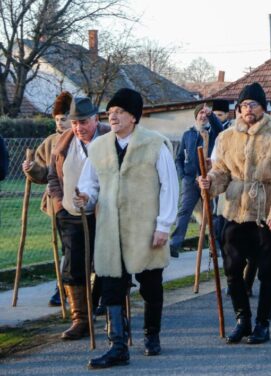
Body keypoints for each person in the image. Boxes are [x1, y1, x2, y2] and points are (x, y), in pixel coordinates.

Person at [74, 88, 179, 368]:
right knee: (110, 286)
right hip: (110, 228)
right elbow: (90, 183)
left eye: (120, 112)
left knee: (151, 286)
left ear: (134, 116)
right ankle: (118, 346)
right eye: (111, 112)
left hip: (146, 226)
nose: (114, 116)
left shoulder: (155, 144)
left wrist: (164, 225)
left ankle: (151, 335)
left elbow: (170, 186)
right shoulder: (98, 147)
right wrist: (85, 197)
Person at [197, 82, 271, 345]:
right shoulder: (226, 137)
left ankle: (263, 323)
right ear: (238, 110)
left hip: (266, 214)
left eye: (252, 104)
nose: (247, 110)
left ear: (262, 108)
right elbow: (221, 171)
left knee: (266, 273)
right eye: (243, 105)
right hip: (234, 211)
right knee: (232, 269)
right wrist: (210, 182)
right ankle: (243, 319)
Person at [48, 97, 110, 340]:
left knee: (104, 264)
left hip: (103, 214)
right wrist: (59, 204)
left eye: (83, 122)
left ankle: (106, 309)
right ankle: (81, 319)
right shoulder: (64, 143)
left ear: (96, 119)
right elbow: (53, 175)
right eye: (74, 123)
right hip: (70, 215)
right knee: (73, 266)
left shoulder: (109, 140)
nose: (78, 128)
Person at [22, 91, 72, 306]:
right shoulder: (50, 142)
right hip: (58, 204)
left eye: (64, 119)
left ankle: (82, 288)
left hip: (82, 201)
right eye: (57, 120)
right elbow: (43, 173)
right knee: (67, 247)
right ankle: (61, 288)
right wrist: (32, 169)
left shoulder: (84, 138)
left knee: (78, 248)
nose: (60, 124)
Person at [170, 104, 223, 257]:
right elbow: (179, 157)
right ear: (195, 116)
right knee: (184, 211)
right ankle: (174, 245)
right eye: (200, 113)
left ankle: (215, 247)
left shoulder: (214, 134)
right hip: (191, 181)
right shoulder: (188, 134)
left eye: (205, 114)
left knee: (211, 214)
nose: (203, 116)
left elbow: (220, 128)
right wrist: (183, 176)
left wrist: (211, 114)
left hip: (210, 180)